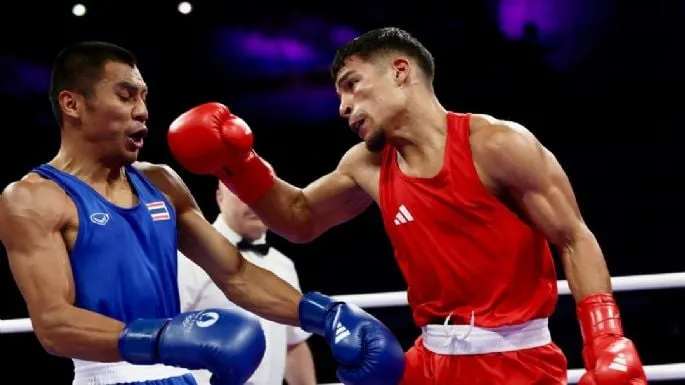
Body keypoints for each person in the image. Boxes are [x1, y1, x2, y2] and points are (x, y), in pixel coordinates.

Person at [166, 27, 648, 384]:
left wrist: (605, 337)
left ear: (400, 71)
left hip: (515, 360)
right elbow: (300, 219)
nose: (343, 107)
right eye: (338, 95)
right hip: (427, 361)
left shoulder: (498, 145)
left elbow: (573, 236)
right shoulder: (367, 164)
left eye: (352, 84)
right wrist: (239, 164)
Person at [0, 41, 405, 385]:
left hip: (180, 377)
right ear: (72, 103)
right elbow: (53, 323)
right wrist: (166, 336)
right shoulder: (34, 198)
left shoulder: (159, 182)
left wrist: (323, 314)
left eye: (143, 97)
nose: (142, 111)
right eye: (126, 95)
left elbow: (236, 273)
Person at [178, 179, 316, 385]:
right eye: (242, 190)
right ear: (219, 197)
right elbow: (164, 334)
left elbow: (293, 344)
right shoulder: (190, 256)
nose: (253, 200)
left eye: (263, 193)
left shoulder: (283, 264)